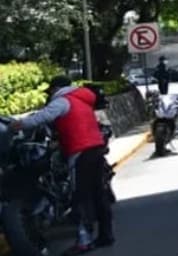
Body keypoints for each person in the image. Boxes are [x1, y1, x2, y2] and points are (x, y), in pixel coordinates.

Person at [8, 75, 114, 253]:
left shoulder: (62, 101)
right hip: (95, 148)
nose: (50, 94)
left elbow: (41, 117)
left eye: (50, 91)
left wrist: (17, 125)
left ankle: (84, 240)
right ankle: (106, 235)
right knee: (98, 194)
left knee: (80, 196)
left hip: (80, 152)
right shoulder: (81, 99)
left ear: (56, 88)